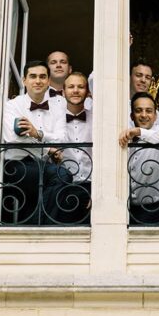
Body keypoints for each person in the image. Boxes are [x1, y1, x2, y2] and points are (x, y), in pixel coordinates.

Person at [0, 59, 65, 224]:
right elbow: (13, 138)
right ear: (24, 80)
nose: (38, 81)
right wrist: (48, 149)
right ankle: (39, 225)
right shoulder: (12, 105)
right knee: (62, 175)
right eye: (33, 76)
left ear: (48, 81)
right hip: (15, 165)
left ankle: (30, 225)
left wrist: (38, 134)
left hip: (39, 165)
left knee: (49, 186)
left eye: (43, 77)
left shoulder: (58, 106)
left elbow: (62, 138)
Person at [44, 71, 93, 225]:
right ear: (63, 92)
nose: (76, 90)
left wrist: (99, 193)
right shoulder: (52, 119)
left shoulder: (97, 118)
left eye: (81, 87)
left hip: (91, 187)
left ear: (88, 91)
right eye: (71, 87)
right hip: (61, 187)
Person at [119, 92, 159, 225]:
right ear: (132, 115)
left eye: (148, 111)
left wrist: (139, 132)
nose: (144, 115)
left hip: (154, 209)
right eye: (138, 111)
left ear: (155, 116)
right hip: (124, 209)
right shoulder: (125, 136)